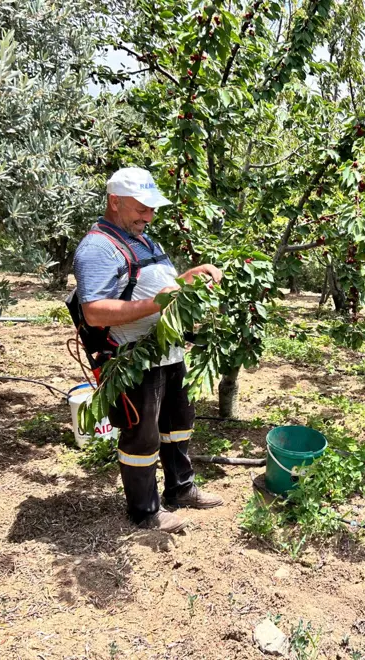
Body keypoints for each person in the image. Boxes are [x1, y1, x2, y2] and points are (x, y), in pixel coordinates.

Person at [73, 167, 223, 533]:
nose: (149, 215)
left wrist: (190, 278)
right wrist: (160, 302)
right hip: (133, 359)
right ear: (115, 202)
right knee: (142, 434)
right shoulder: (97, 248)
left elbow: (158, 286)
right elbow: (94, 312)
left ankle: (181, 489)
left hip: (168, 352)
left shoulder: (142, 238)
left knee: (178, 423)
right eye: (142, 208)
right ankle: (145, 510)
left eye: (152, 209)